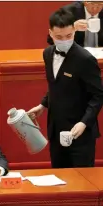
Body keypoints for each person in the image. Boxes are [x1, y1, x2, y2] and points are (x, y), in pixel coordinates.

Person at [28, 8, 103, 168]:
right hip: (56, 130)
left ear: (74, 31)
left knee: (81, 184)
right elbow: (56, 85)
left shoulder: (85, 59)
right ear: (51, 33)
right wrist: (43, 104)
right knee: (60, 179)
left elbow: (98, 96)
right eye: (59, 37)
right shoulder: (47, 54)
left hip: (80, 133)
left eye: (69, 36)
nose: (64, 40)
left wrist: (84, 123)